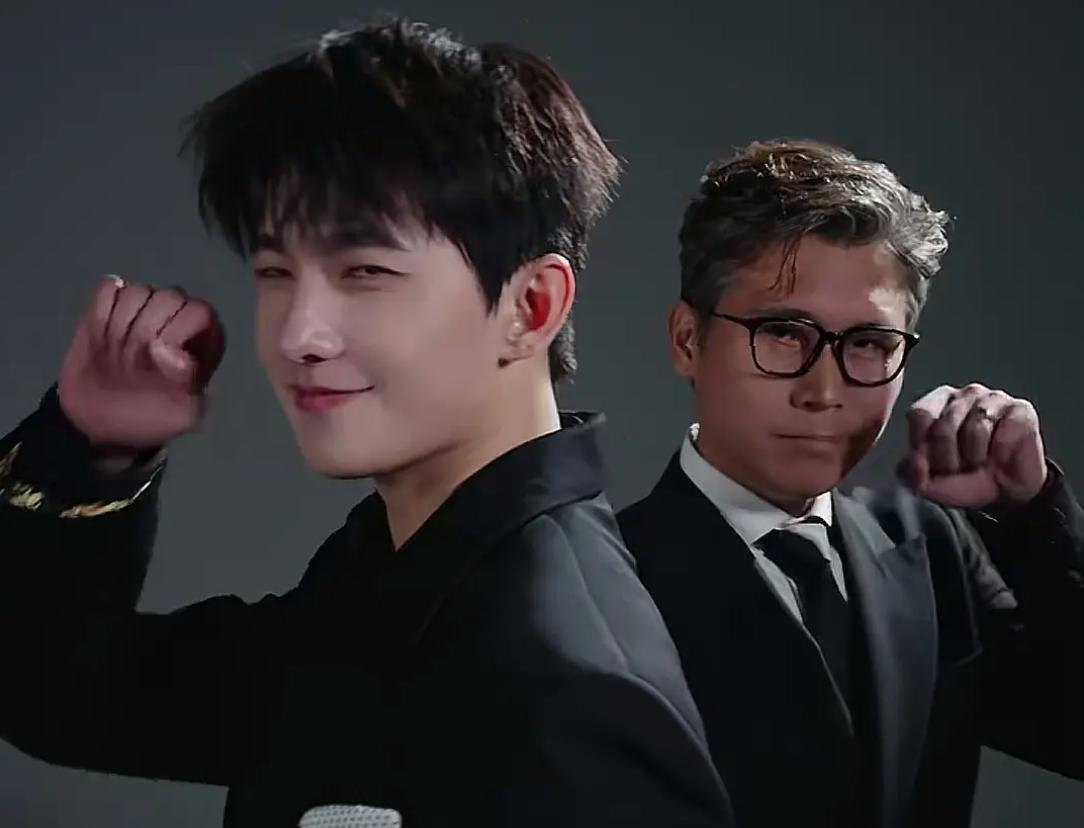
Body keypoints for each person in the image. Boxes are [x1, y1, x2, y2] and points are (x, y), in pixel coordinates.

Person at [0, 19, 732, 828]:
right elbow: (63, 699)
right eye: (275, 271)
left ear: (531, 307)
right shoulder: (393, 579)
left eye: (365, 271)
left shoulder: (574, 690)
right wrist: (92, 449)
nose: (297, 334)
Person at [617, 138, 1083, 828]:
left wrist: (1033, 512)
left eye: (869, 344)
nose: (824, 391)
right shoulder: (605, 579)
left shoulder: (930, 549)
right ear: (689, 339)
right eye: (783, 333)